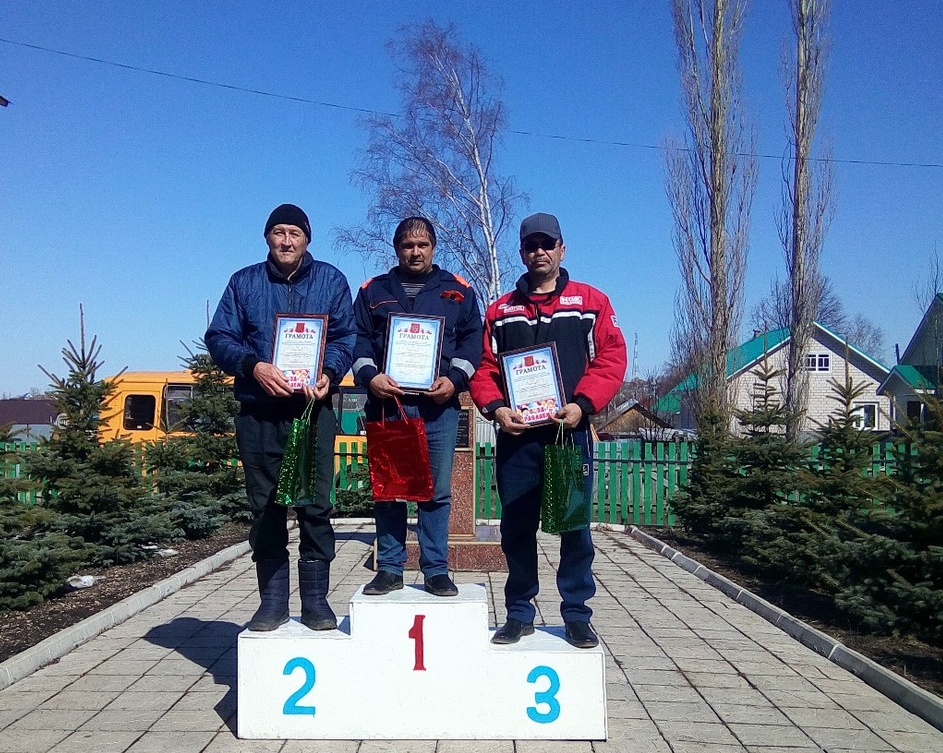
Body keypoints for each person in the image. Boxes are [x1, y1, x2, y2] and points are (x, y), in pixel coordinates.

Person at [470, 212, 627, 648]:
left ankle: (576, 615)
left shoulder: (590, 302)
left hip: (567, 435)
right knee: (516, 528)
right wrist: (497, 409)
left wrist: (582, 405)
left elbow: (611, 359)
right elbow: (484, 369)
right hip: (517, 440)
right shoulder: (501, 311)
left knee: (574, 527)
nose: (539, 252)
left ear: (561, 249)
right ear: (522, 253)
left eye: (547, 244)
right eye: (531, 245)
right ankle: (519, 613)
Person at [205, 204, 356, 632]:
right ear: (267, 237)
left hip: (312, 411)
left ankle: (316, 601)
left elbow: (346, 337)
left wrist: (329, 373)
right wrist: (253, 366)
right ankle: (272, 602)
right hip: (259, 413)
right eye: (278, 232)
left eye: (295, 233)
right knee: (266, 506)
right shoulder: (244, 282)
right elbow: (220, 336)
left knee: (316, 507)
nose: (286, 241)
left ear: (307, 239)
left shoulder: (331, 280)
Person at [352, 216, 483, 597]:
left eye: (422, 245)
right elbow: (358, 338)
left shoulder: (458, 290)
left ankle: (436, 570)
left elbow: (474, 340)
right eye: (408, 245)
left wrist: (455, 380)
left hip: (438, 406)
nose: (415, 252)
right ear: (396, 249)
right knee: (388, 490)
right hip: (388, 404)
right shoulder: (373, 290)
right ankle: (390, 568)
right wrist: (369, 377)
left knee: (436, 492)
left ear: (433, 248)